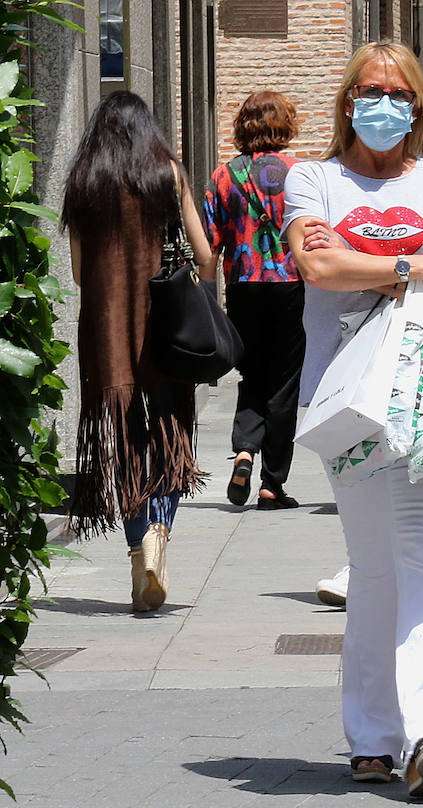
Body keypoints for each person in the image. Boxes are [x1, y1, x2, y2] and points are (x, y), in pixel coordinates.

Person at [283, 42, 423, 797]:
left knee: (421, 553)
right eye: (369, 89)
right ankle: (372, 734)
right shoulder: (314, 178)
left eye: (399, 92)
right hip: (344, 398)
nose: (385, 102)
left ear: (419, 107)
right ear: (347, 100)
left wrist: (394, 263)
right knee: (371, 564)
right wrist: (413, 265)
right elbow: (319, 268)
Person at [62, 91, 213, 611]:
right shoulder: (168, 173)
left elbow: (81, 276)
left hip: (106, 333)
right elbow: (206, 257)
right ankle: (157, 531)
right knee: (170, 437)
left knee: (125, 445)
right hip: (163, 329)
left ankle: (136, 548)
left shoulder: (85, 182)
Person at [204, 91, 305, 510]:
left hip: (243, 285)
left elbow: (210, 242)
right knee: (284, 384)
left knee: (252, 376)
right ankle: (272, 485)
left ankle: (244, 449)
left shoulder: (223, 176)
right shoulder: (301, 173)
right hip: (291, 284)